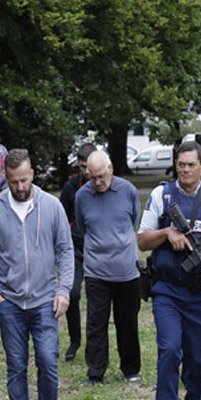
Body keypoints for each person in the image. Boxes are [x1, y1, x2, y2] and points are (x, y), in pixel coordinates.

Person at [138, 140, 201, 399]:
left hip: (200, 293)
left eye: (191, 165)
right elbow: (143, 240)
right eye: (181, 165)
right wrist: (167, 232)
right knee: (169, 350)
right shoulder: (162, 195)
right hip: (167, 289)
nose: (185, 170)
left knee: (200, 359)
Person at [0, 148, 74, 399]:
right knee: (16, 367)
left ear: (32, 173)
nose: (20, 186)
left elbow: (65, 250)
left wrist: (63, 290)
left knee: (48, 363)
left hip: (44, 300)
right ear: (6, 177)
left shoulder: (52, 206)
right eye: (13, 182)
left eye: (24, 179)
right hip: (9, 302)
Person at [75, 151, 141, 385]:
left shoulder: (128, 191)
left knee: (128, 322)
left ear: (111, 168)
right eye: (92, 177)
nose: (97, 182)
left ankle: (131, 368)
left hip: (127, 271)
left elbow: (134, 220)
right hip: (96, 272)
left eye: (101, 176)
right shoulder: (82, 196)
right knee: (96, 324)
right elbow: (82, 227)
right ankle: (95, 372)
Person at [59, 142, 97, 361]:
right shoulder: (70, 188)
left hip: (98, 249)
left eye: (88, 166)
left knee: (97, 298)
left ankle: (96, 344)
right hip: (75, 248)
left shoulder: (103, 184)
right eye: (82, 166)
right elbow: (61, 220)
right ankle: (75, 340)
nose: (85, 170)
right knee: (72, 293)